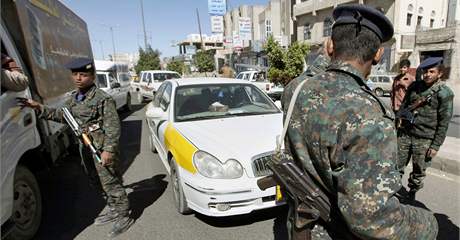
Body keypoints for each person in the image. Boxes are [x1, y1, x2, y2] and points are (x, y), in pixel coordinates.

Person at [282, 4, 438, 239]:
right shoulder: (369, 114)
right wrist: (429, 223)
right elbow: (372, 220)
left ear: (329, 46)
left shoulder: (296, 89)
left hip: (300, 227)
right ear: (378, 55)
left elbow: (313, 76)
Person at [18, 58, 132, 238]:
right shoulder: (73, 98)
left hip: (100, 147)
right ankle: (112, 208)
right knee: (95, 180)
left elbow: (113, 127)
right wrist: (38, 107)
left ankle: (124, 214)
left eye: (83, 75)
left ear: (92, 76)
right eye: (75, 74)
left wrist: (108, 150)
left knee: (110, 182)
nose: (78, 78)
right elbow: (61, 116)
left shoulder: (103, 99)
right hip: (84, 147)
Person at [397, 57, 454, 201]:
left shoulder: (444, 93)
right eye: (425, 71)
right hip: (405, 134)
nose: (427, 74)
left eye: (431, 71)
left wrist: (435, 145)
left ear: (439, 74)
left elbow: (444, 122)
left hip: (425, 138)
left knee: (418, 170)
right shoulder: (415, 86)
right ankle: (393, 189)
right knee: (396, 165)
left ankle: (411, 193)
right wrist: (398, 122)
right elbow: (404, 105)